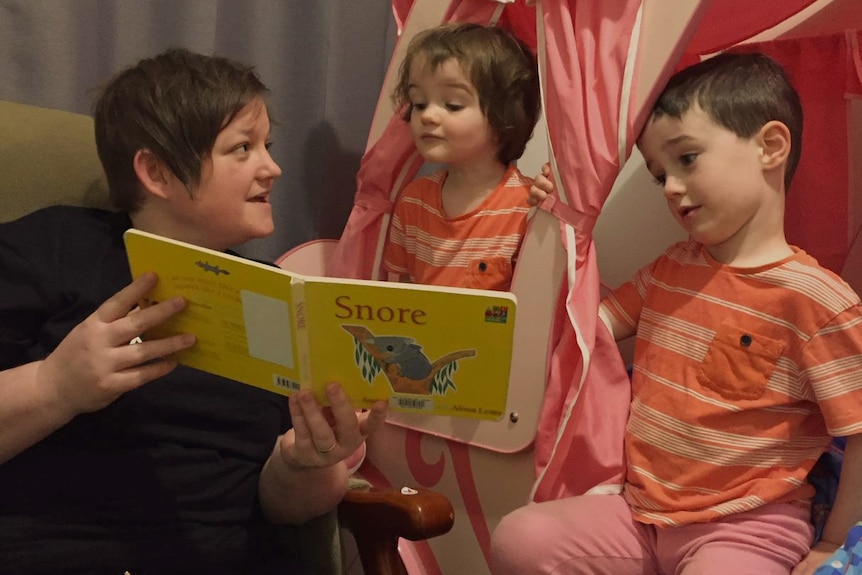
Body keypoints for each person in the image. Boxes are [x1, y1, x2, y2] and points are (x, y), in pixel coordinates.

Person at [0, 48, 386, 574]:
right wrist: (54, 386)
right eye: (242, 148)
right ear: (156, 172)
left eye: (266, 145)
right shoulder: (54, 247)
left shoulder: (277, 297)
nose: (272, 167)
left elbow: (282, 507)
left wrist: (307, 463)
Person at [490, 52, 862, 575]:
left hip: (748, 528)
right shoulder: (670, 269)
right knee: (519, 539)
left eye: (686, 159)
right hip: (640, 516)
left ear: (771, 147)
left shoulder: (815, 298)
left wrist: (833, 542)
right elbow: (581, 328)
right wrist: (558, 228)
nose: (669, 187)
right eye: (658, 174)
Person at [381, 22, 541, 291]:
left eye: (452, 105)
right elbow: (403, 290)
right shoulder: (414, 200)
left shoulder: (527, 207)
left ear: (503, 117)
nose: (428, 116)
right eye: (419, 103)